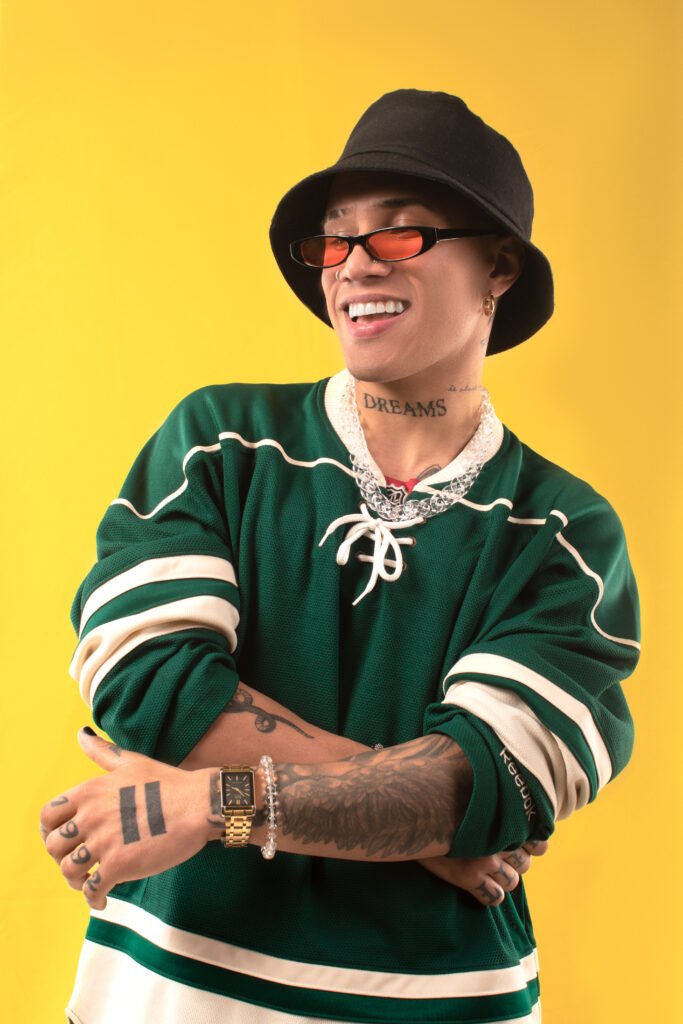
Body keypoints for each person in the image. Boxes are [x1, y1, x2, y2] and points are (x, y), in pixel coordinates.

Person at [41, 89, 640, 1024]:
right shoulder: (221, 443)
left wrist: (220, 802)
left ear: (498, 267)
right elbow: (150, 684)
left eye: (399, 231)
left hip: (435, 1000)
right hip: (171, 990)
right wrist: (433, 828)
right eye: (334, 238)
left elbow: (477, 782)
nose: (354, 262)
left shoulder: (564, 534)